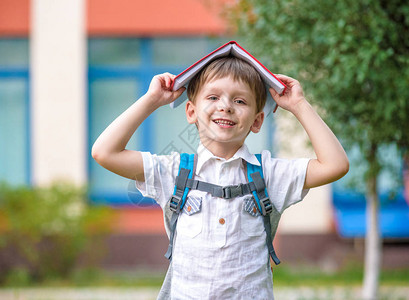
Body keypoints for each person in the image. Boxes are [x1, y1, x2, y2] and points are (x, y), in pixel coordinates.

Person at [92, 56, 349, 299]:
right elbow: (105, 152)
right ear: (191, 112)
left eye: (240, 101)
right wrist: (151, 100)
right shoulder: (173, 173)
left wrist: (298, 105)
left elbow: (334, 165)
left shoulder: (270, 175)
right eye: (213, 97)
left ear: (257, 121)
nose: (225, 106)